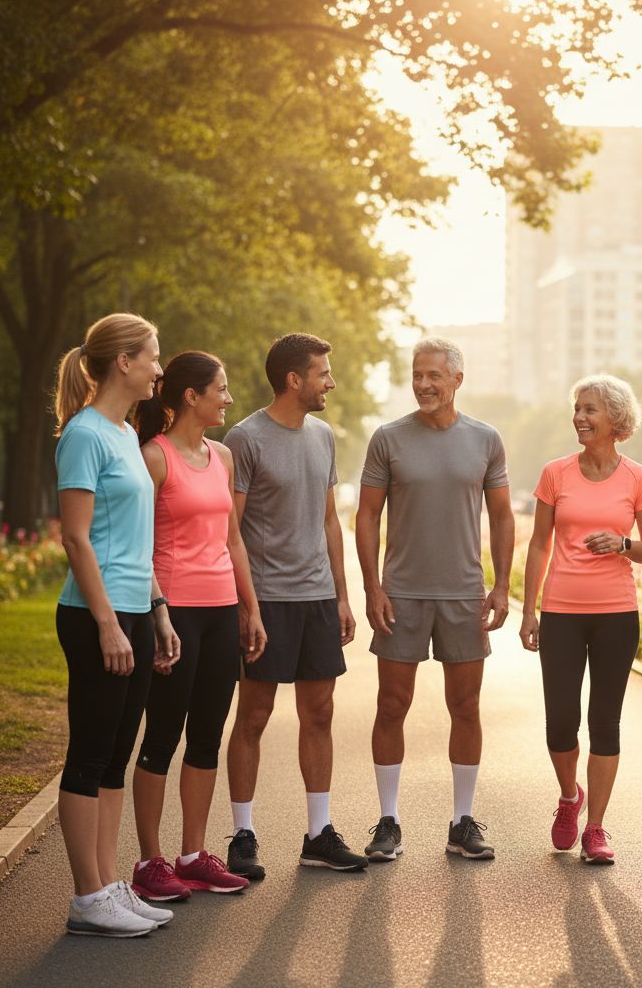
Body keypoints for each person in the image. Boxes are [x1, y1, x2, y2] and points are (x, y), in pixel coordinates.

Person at [356, 338, 514, 861]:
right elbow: (367, 516)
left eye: (434, 376)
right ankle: (388, 822)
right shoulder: (387, 439)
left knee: (465, 707)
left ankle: (462, 822)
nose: (423, 384)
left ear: (456, 380)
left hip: (464, 594)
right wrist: (372, 586)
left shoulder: (486, 439)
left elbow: (503, 517)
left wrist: (500, 586)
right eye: (417, 375)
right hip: (401, 594)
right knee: (391, 706)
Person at [53, 312, 180, 937]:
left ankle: (107, 886)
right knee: (88, 755)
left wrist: (156, 612)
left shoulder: (127, 434)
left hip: (133, 608)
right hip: (92, 613)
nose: (161, 367)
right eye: (154, 356)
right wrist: (107, 623)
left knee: (114, 761)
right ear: (124, 360)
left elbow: (136, 539)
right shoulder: (84, 435)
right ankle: (86, 898)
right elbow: (76, 538)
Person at [223, 333, 366, 876]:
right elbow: (229, 529)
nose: (330, 382)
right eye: (323, 373)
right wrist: (245, 605)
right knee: (254, 714)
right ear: (293, 380)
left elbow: (330, 519)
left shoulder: (323, 435)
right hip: (267, 601)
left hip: (316, 600)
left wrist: (342, 594)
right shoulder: (245, 438)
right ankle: (242, 834)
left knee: (320, 712)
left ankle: (318, 834)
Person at [128, 352, 267, 901]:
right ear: (191, 396)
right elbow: (135, 544)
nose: (228, 399)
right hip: (171, 613)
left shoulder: (223, 456)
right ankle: (148, 862)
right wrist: (158, 612)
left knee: (207, 735)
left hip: (219, 612)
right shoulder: (153, 458)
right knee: (162, 734)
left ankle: (191, 855)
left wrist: (249, 609)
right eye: (221, 389)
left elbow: (233, 540)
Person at [519, 375, 642, 864]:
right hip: (560, 612)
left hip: (616, 615)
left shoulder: (638, 478)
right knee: (560, 722)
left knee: (605, 722)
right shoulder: (555, 473)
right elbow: (539, 543)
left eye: (591, 410)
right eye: (577, 409)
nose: (580, 417)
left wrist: (622, 544)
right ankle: (568, 797)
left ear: (616, 420)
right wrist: (528, 609)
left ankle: (596, 827)